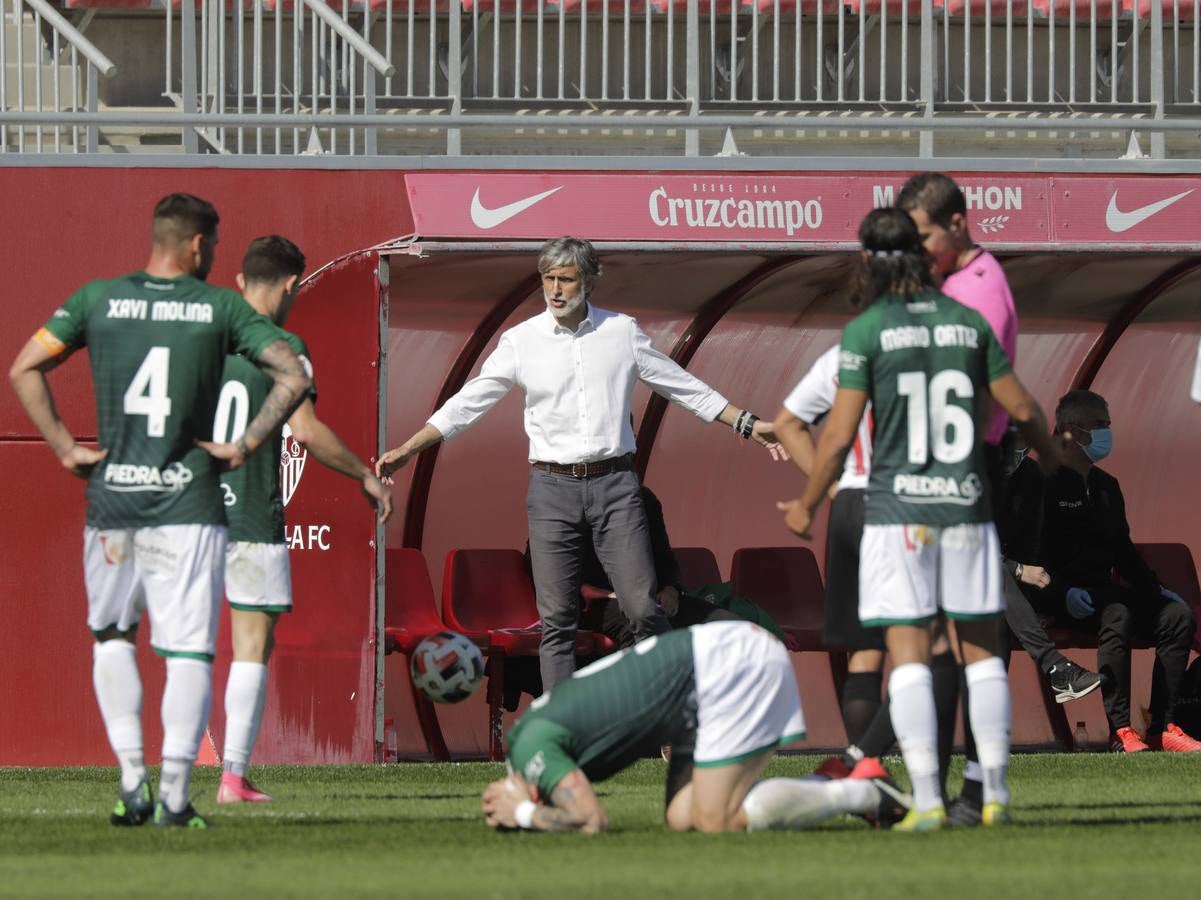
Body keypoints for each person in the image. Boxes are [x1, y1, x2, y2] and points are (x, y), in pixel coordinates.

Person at [8, 194, 311, 829]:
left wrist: (65, 447)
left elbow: (25, 366)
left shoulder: (98, 299)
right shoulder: (218, 307)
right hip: (188, 501)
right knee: (189, 651)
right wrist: (247, 444)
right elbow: (292, 375)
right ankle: (176, 796)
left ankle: (131, 784)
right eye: (216, 247)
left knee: (113, 637)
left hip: (115, 501)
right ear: (200, 247)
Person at [377, 236, 777, 693]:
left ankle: (668, 714)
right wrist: (412, 447)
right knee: (557, 620)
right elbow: (470, 401)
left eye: (565, 279)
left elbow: (681, 385)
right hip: (552, 488)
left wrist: (746, 423)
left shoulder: (621, 332)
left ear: (588, 281)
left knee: (643, 608)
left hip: (616, 484)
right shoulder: (521, 340)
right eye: (548, 279)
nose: (555, 289)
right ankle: (561, 730)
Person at [779, 206, 1064, 831]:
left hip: (896, 512)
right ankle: (995, 796)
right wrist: (1048, 455)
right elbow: (1023, 406)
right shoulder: (967, 322)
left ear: (867, 264)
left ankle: (929, 803)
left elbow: (837, 436)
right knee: (982, 652)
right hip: (965, 506)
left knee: (906, 654)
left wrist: (807, 504)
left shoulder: (867, 331)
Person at [898, 173, 1101, 825]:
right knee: (965, 633)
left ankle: (933, 783)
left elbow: (997, 387)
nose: (917, 247)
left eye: (923, 234)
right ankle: (974, 789)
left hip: (957, 465)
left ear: (955, 224)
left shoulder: (977, 292)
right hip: (952, 464)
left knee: (955, 634)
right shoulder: (950, 282)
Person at [214, 236, 394, 804]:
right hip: (247, 513)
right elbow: (308, 432)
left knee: (188, 646)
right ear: (292, 285)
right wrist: (364, 476)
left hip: (188, 512)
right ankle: (233, 777)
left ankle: (169, 780)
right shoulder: (283, 345)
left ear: (242, 282)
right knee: (251, 644)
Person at [481, 620, 903, 833]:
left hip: (728, 664)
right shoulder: (534, 738)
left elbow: (591, 820)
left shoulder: (528, 749)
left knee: (715, 819)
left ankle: (861, 790)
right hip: (703, 683)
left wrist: (521, 814)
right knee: (684, 818)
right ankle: (829, 783)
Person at [1006, 389, 1201, 753]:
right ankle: (1122, 731)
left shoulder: (1106, 486)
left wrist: (1156, 589)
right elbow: (1028, 552)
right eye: (1098, 425)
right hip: (1061, 598)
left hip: (1103, 592)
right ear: (1069, 430)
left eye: (1107, 425)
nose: (1105, 433)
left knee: (1176, 617)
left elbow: (1123, 552)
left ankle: (1164, 726)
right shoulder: (1042, 481)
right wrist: (1061, 591)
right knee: (1118, 613)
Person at [774, 345, 890, 768]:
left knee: (865, 650)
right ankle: (869, 758)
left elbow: (788, 424)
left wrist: (834, 489)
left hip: (854, 505)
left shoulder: (845, 353)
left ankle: (866, 768)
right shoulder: (934, 343)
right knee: (932, 648)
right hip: (911, 501)